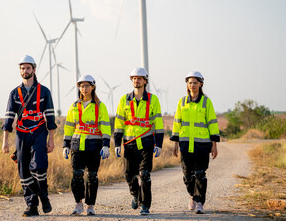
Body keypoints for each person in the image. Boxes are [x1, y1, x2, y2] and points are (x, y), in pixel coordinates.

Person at [1, 55, 57, 217]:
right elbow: (9, 118)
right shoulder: (14, 93)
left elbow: (51, 118)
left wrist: (51, 140)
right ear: (20, 71)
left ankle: (44, 197)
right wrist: (5, 142)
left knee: (39, 167)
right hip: (22, 134)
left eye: (27, 68)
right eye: (22, 68)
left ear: (34, 69)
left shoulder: (44, 91)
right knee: (23, 170)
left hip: (39, 132)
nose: (25, 71)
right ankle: (32, 205)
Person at [114, 67, 164, 215]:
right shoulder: (124, 99)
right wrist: (117, 143)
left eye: (139, 78)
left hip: (147, 142)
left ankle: (145, 206)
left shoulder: (153, 99)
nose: (136, 80)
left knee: (145, 175)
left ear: (145, 81)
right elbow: (118, 123)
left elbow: (158, 124)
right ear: (131, 80)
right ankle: (135, 194)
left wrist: (159, 144)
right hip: (129, 143)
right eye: (134, 78)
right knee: (129, 175)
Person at [170, 71, 220, 214]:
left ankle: (199, 202)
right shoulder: (182, 102)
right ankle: (192, 195)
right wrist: (175, 144)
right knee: (187, 175)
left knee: (200, 173)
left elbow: (212, 123)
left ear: (201, 84)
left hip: (202, 145)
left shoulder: (206, 102)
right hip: (185, 144)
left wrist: (214, 145)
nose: (192, 85)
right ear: (187, 84)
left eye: (195, 82)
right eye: (190, 82)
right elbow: (177, 123)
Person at [62, 75, 111, 216]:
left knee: (92, 176)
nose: (84, 88)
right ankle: (78, 203)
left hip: (94, 145)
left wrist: (106, 145)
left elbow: (106, 127)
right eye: (82, 86)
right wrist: (66, 145)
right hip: (77, 145)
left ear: (93, 87)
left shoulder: (100, 106)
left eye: (87, 85)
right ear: (79, 88)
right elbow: (69, 127)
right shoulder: (74, 106)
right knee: (77, 175)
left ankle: (90, 205)